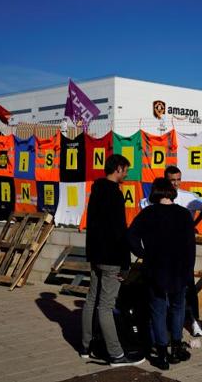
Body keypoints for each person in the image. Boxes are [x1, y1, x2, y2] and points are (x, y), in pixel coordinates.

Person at [81, 154, 144, 367]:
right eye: (125, 170)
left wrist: (91, 254)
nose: (126, 174)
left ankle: (85, 346)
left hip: (96, 256)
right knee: (106, 306)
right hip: (111, 258)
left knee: (91, 299)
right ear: (117, 168)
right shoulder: (115, 195)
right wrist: (125, 263)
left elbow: (92, 225)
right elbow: (120, 232)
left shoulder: (96, 190)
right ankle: (116, 354)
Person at [129, 178, 196, 370]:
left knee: (157, 311)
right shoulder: (184, 214)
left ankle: (161, 355)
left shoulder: (148, 213)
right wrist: (188, 271)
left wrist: (143, 254)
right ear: (171, 191)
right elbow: (191, 247)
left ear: (155, 192)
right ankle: (176, 348)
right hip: (179, 270)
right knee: (177, 308)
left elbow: (131, 236)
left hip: (154, 269)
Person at [139, 165, 202, 337]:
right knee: (161, 291)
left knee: (188, 285)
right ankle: (164, 327)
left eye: (179, 179)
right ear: (165, 180)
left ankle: (194, 320)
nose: (176, 183)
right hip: (162, 252)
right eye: (172, 180)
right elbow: (143, 209)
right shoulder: (153, 199)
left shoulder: (187, 197)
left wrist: (194, 222)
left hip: (182, 251)